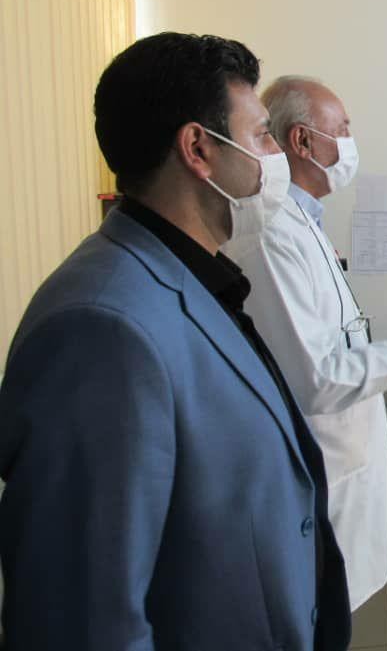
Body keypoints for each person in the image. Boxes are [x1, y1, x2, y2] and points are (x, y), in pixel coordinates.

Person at [0, 34, 350, 649]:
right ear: (198, 149)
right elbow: (84, 620)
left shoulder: (190, 274)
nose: (274, 155)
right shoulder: (100, 329)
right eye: (262, 135)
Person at [224, 76, 387, 612]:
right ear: (302, 141)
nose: (350, 142)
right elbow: (320, 377)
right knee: (318, 615)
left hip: (344, 465)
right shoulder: (271, 234)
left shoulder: (304, 222)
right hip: (321, 478)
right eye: (342, 130)